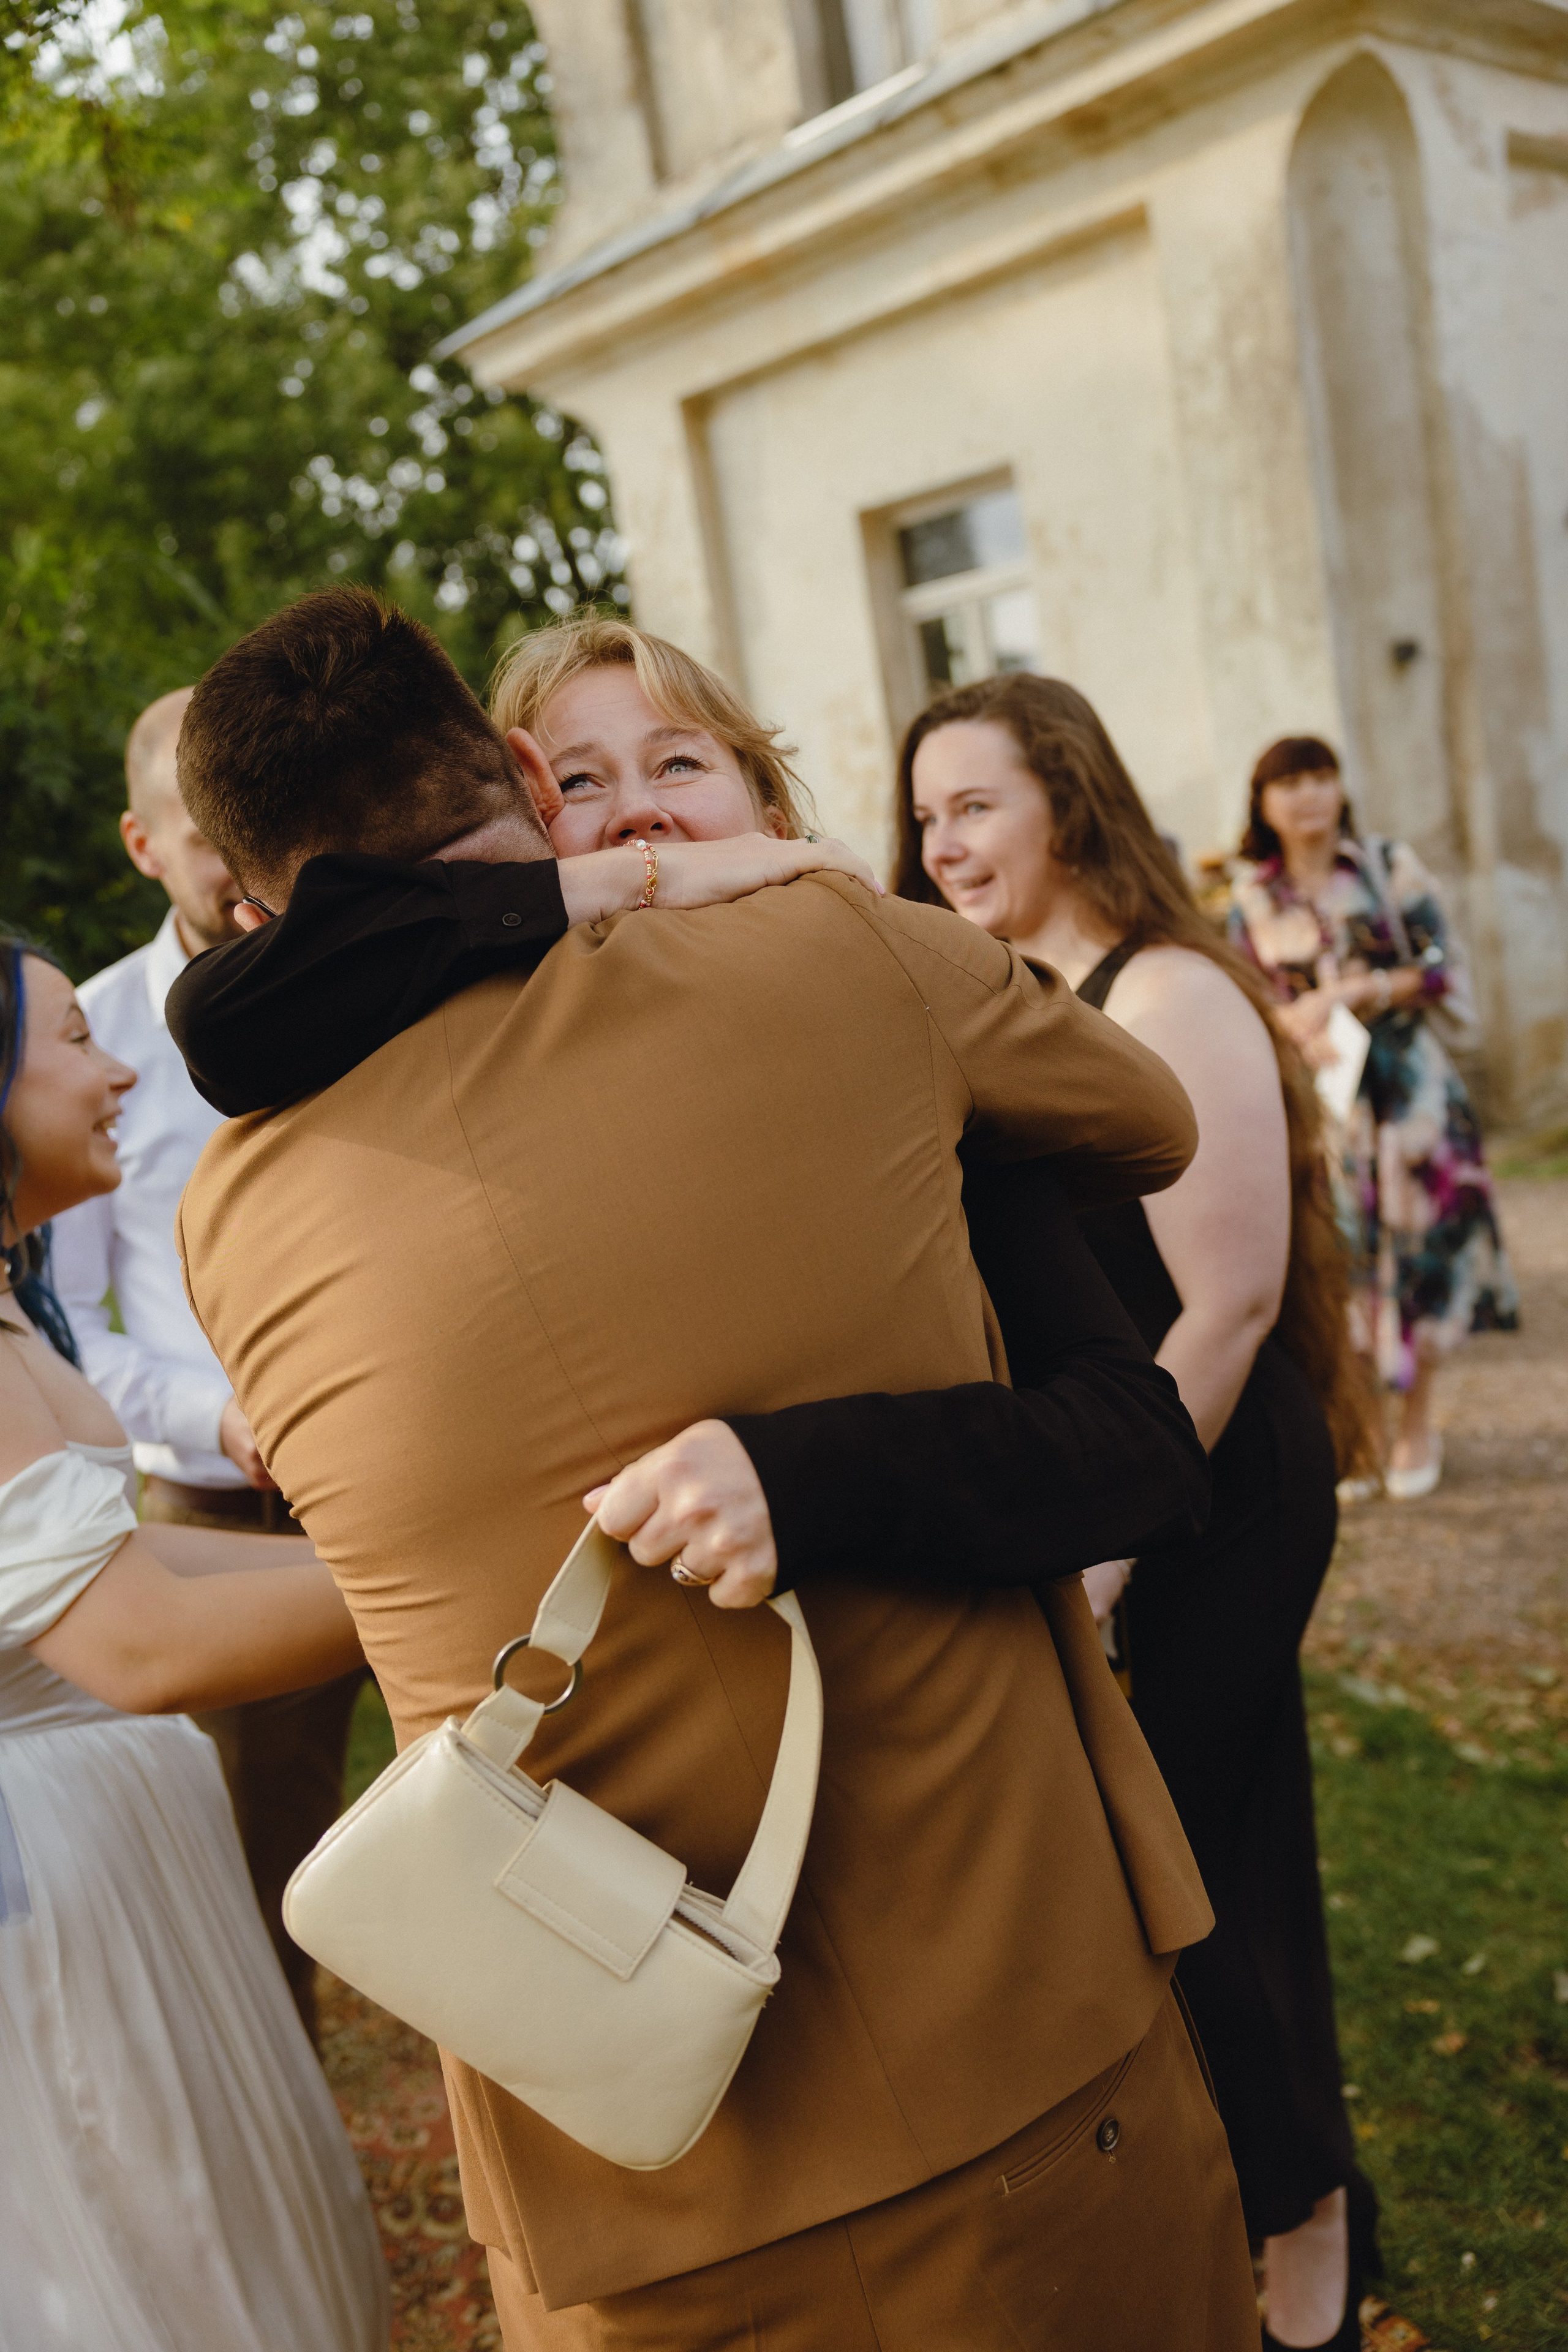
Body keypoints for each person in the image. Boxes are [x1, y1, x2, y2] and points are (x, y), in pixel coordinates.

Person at [172, 590, 1256, 2351]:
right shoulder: (839, 956)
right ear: (528, 779)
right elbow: (1148, 1118)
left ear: (248, 896)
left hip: (620, 2156)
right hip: (1009, 2057)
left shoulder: (226, 1222)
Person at [893, 673, 1378, 2352]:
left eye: (975, 805)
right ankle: (1290, 2199)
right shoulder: (1005, 995)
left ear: (1068, 799)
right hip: (1114, 1488)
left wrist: (1094, 1561)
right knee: (1207, 1849)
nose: (942, 844)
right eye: (926, 814)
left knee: (1180, 1860)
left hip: (1216, 1490)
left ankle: (1303, 2224)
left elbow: (1226, 1309)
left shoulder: (1167, 991)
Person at [0, 935, 388, 2352]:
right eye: (73, 1041)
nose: (118, 1071)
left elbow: (121, 1553)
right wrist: (442, 1584)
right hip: (42, 1887)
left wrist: (375, 1555)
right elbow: (140, 1643)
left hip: (111, 1851)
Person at [48, 688, 362, 2039]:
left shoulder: (360, 982)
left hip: (399, 1455)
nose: (235, 856)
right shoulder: (86, 1043)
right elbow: (69, 1325)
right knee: (261, 1874)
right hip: (220, 1513)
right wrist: (215, 1417)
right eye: (199, 832)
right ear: (142, 845)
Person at [1225, 735, 1518, 1499]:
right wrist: (1294, 1025)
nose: (1308, 795)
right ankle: (1363, 1425)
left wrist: (1356, 992)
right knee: (1338, 1261)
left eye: (1320, 777)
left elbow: (1440, 966)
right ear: (1263, 804)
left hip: (1409, 1090)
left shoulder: (1387, 866)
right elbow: (1240, 995)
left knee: (1420, 1256)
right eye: (1289, 783)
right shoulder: (1250, 898)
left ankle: (1417, 1422)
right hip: (1322, 1103)